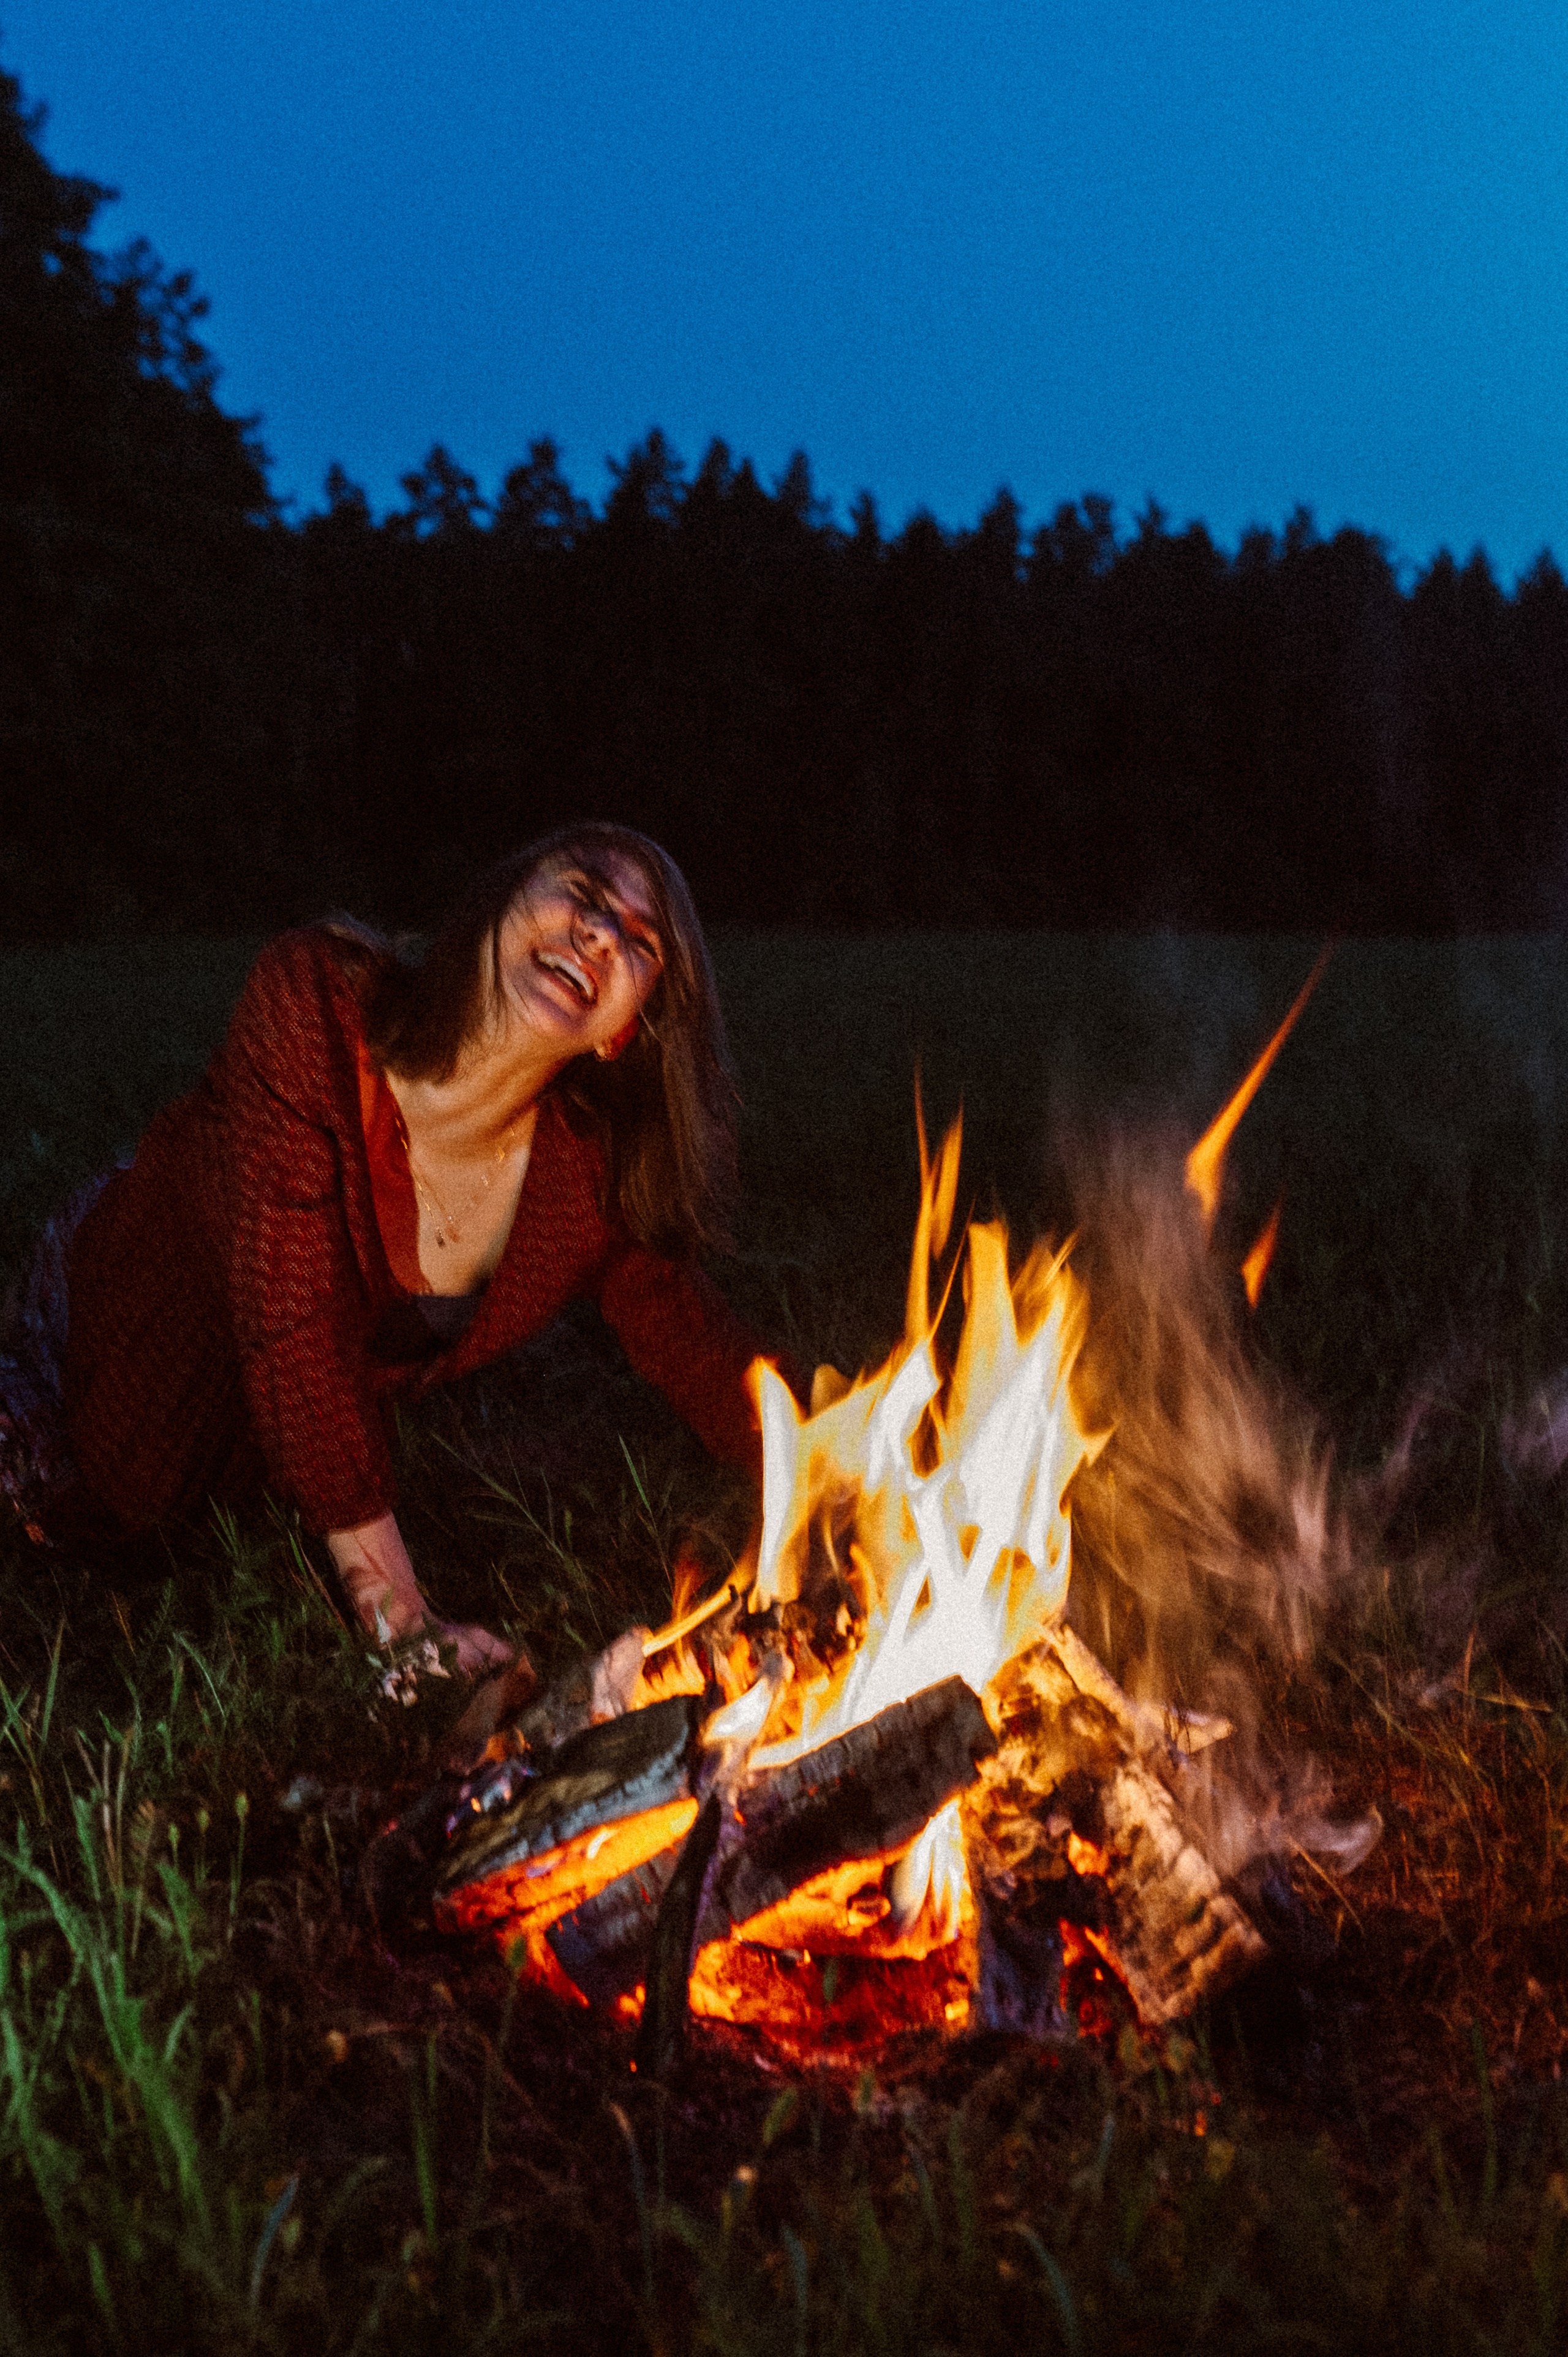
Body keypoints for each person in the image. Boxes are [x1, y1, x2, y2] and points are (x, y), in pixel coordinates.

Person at [35, 823, 787, 1673]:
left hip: (256, 1462)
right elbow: (295, 1331)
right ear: (501, 904)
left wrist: (849, 1456)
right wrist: (404, 1626)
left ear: (622, 1032)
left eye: (641, 942)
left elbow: (694, 1339)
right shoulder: (316, 1002)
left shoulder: (581, 1177)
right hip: (89, 1348)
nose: (602, 933)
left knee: (208, 1504)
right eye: (583, 892)